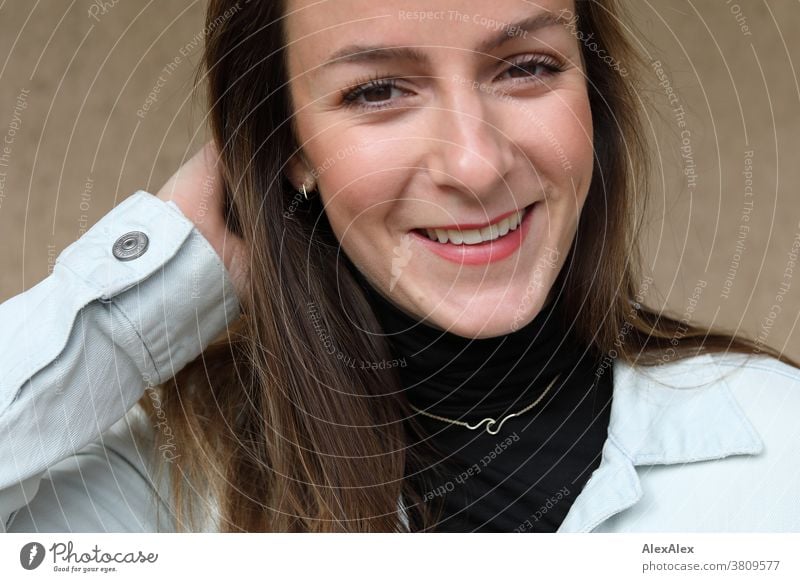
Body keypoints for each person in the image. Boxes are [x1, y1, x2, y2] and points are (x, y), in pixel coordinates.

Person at [2, 0, 799, 533]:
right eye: (379, 90)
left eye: (526, 66)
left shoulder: (780, 443)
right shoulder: (169, 480)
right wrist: (156, 285)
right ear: (287, 147)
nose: (475, 164)